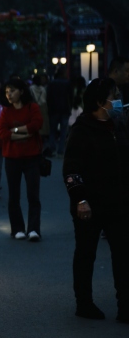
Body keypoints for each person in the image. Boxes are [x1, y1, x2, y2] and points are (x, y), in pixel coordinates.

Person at [62, 77, 129, 323]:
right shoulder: (81, 130)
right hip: (90, 205)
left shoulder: (118, 126)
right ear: (102, 102)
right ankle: (84, 303)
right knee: (86, 253)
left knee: (123, 255)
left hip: (119, 204)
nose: (119, 100)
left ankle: (125, 306)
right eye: (116, 95)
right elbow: (71, 169)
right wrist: (80, 200)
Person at [0, 78, 43, 241]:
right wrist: (22, 133)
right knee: (14, 196)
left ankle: (33, 229)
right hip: (12, 158)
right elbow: (2, 133)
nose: (9, 94)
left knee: (33, 195)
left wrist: (14, 130)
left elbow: (36, 125)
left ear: (21, 91)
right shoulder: (6, 111)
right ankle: (17, 228)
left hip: (32, 157)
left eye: (13, 90)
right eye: (7, 91)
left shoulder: (32, 107)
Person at [46, 68, 73, 157]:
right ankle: (61, 150)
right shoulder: (68, 83)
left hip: (53, 110)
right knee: (63, 131)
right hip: (65, 109)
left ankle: (52, 148)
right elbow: (71, 97)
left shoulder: (52, 83)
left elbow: (48, 97)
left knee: (52, 130)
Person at [29, 73, 49, 149]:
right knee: (43, 124)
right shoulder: (43, 88)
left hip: (34, 106)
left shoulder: (31, 88)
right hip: (43, 107)